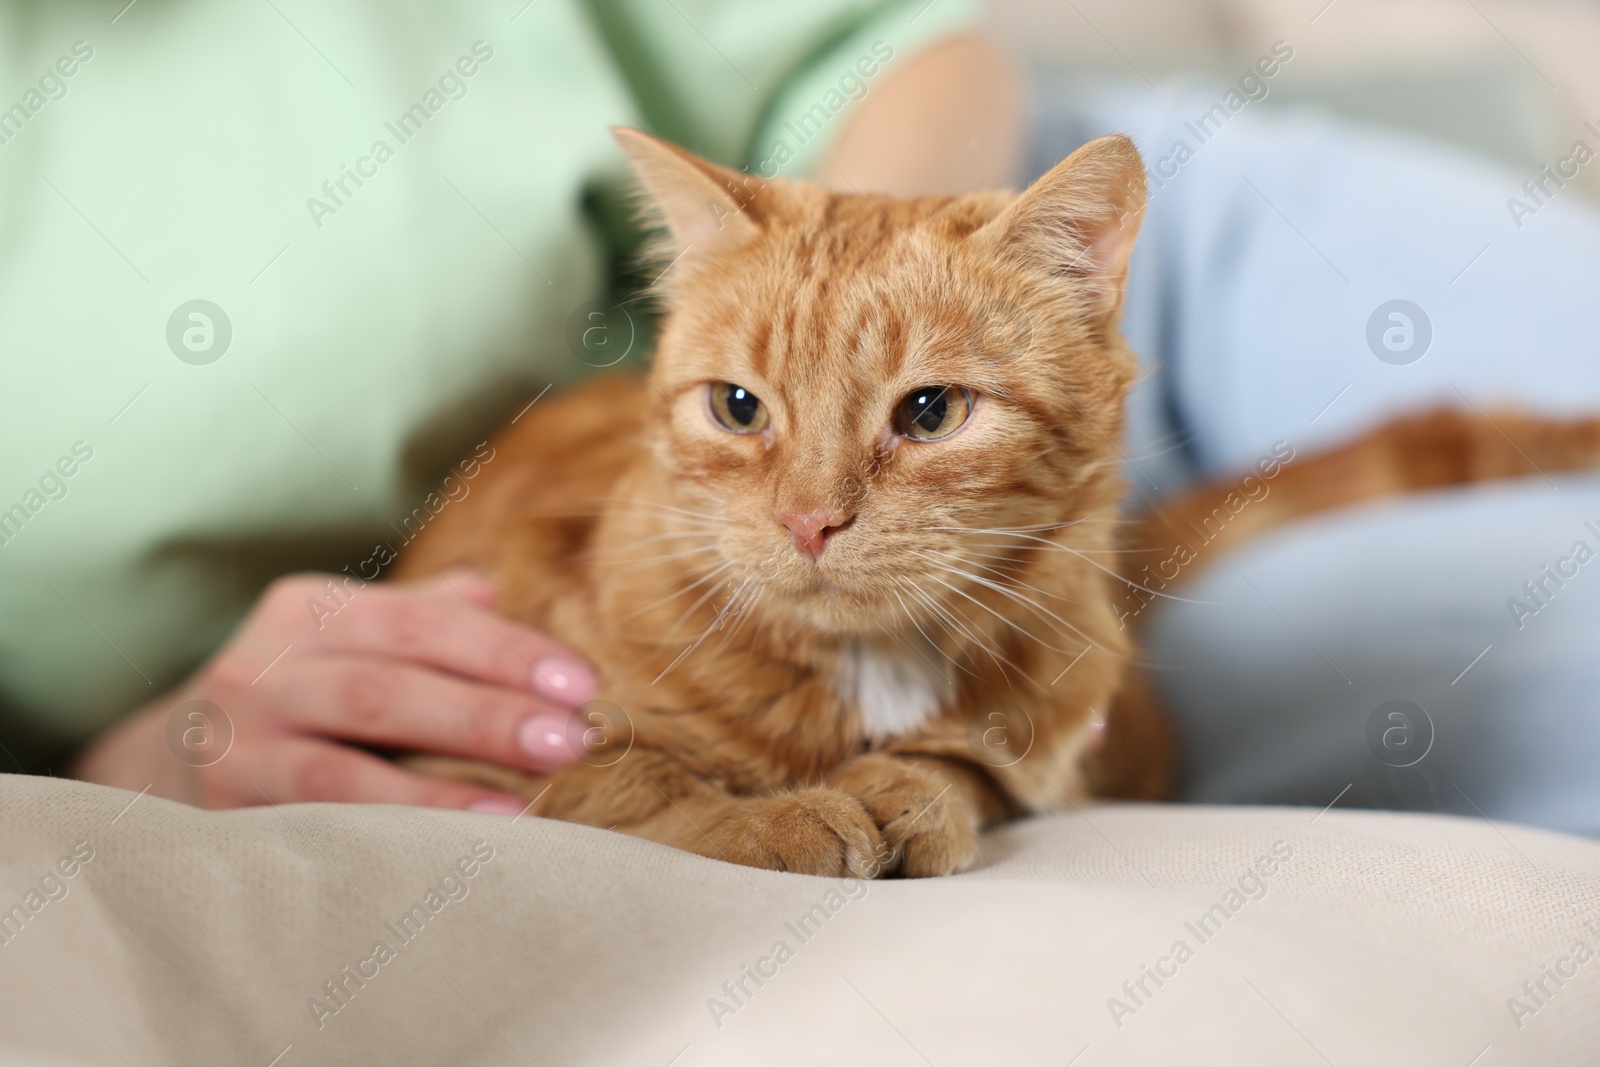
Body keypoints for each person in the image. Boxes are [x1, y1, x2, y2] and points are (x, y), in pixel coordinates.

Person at [0, 0, 1016, 810]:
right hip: (135, 763)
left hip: (768, 498)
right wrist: (139, 759)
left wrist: (859, 355)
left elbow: (897, 51)